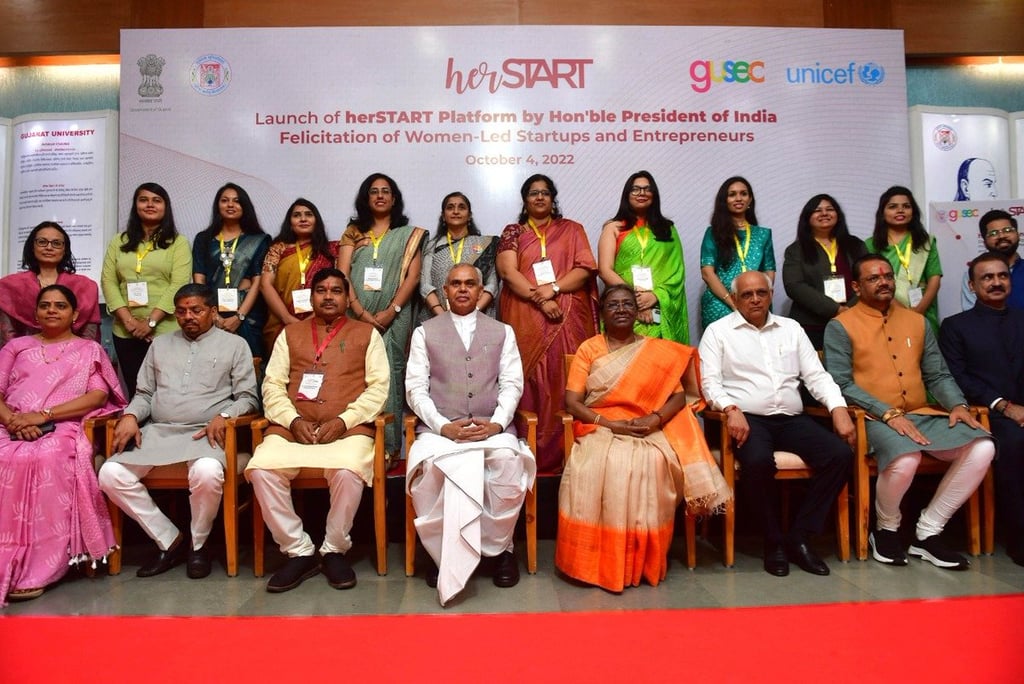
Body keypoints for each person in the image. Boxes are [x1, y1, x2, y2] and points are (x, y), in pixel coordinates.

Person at [824, 254, 994, 570]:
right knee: (906, 457)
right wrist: (887, 413)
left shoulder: (917, 322)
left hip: (922, 413)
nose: (884, 282)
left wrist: (957, 405)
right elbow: (840, 382)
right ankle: (886, 530)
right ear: (856, 287)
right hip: (873, 418)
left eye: (888, 276)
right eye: (874, 278)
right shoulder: (840, 326)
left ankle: (928, 532)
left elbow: (937, 374)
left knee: (982, 445)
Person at [557, 285, 731, 592]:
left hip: (648, 425)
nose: (621, 309)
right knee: (599, 463)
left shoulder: (656, 350)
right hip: (601, 425)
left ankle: (639, 560)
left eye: (628, 304)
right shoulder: (589, 348)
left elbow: (678, 397)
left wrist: (655, 419)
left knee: (651, 461)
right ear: (602, 313)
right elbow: (572, 402)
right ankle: (592, 561)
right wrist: (609, 424)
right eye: (613, 305)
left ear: (638, 312)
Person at [98, 284, 259, 580]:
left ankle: (199, 544)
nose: (188, 317)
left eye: (196, 310)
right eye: (182, 311)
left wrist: (225, 416)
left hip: (206, 434)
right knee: (110, 473)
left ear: (212, 311)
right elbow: (144, 393)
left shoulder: (235, 345)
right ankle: (170, 540)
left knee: (207, 472)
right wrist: (131, 415)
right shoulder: (159, 345)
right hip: (159, 432)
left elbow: (248, 397)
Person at [700, 271, 854, 577]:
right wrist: (730, 408)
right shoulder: (718, 332)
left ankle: (800, 537)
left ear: (771, 295)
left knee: (840, 455)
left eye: (761, 293)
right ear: (735, 299)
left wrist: (838, 407)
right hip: (748, 419)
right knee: (758, 462)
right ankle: (773, 542)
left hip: (792, 418)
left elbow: (816, 376)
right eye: (747, 295)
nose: (755, 299)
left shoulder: (791, 328)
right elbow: (710, 383)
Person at [246, 268, 389, 593]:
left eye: (336, 291)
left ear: (347, 298)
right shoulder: (290, 334)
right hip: (293, 430)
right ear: (311, 297)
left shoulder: (367, 333)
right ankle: (298, 549)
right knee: (261, 469)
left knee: (348, 471)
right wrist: (292, 420)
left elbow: (379, 389)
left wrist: (343, 421)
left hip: (348, 431)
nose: (328, 296)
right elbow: (272, 385)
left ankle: (334, 549)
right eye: (321, 290)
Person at [406, 264, 535, 605]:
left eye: (470, 284)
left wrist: (497, 423)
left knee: (507, 464)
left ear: (481, 291)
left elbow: (512, 383)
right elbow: (415, 389)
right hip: (440, 430)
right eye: (455, 284)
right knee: (430, 469)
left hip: (491, 427)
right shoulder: (424, 332)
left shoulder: (502, 331)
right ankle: (441, 554)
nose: (463, 289)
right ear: (445, 291)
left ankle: (500, 550)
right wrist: (442, 426)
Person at [0, 285, 126, 604]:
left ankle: (42, 565)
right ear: (35, 313)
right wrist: (14, 420)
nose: (52, 310)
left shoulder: (88, 350)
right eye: (45, 305)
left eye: (60, 306)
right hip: (10, 423)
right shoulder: (16, 347)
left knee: (48, 456)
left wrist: (42, 416)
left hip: (61, 426)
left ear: (74, 314)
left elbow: (97, 396)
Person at [496, 173, 599, 472]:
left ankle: (571, 455)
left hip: (568, 317)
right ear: (524, 200)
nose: (539, 197)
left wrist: (553, 289)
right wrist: (541, 300)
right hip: (526, 314)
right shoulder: (513, 232)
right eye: (533, 193)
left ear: (553, 199)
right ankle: (526, 453)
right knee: (528, 380)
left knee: (566, 377)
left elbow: (584, 268)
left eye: (545, 192)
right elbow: (508, 272)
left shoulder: (573, 229)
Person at [940, 252, 1024, 566]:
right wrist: (1005, 405)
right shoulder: (955, 326)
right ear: (972, 286)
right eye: (987, 278)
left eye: (1002, 276)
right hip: (991, 414)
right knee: (1015, 443)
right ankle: (1019, 539)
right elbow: (959, 377)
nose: (996, 282)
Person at [338, 173, 426, 457]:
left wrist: (392, 310)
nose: (379, 196)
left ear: (394, 198)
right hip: (355, 315)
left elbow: (413, 277)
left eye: (385, 191)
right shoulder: (353, 232)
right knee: (356, 375)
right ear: (366, 198)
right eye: (374, 191)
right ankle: (356, 444)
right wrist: (360, 311)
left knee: (390, 375)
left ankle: (388, 449)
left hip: (395, 317)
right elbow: (342, 274)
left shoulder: (408, 234)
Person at [101, 182, 192, 398]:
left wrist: (150, 322)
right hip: (125, 330)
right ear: (135, 205)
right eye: (143, 200)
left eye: (156, 200)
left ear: (165, 207)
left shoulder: (178, 243)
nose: (150, 205)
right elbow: (108, 281)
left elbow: (178, 284)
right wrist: (129, 322)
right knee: (136, 391)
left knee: (167, 393)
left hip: (166, 329)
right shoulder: (119, 241)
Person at [597, 171, 689, 343]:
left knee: (660, 358)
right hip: (624, 307)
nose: (642, 193)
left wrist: (655, 296)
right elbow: (604, 270)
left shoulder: (668, 229)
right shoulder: (614, 227)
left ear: (654, 195)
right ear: (627, 194)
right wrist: (635, 300)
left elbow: (676, 273)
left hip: (659, 308)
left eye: (647, 189)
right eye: (635, 189)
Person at [192, 183, 271, 360]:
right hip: (211, 314)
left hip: (248, 315)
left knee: (249, 364)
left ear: (245, 206)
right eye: (225, 200)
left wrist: (239, 317)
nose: (230, 205)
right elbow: (199, 279)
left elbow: (257, 281)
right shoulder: (203, 239)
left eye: (236, 201)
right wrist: (213, 315)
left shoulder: (258, 240)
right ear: (217, 205)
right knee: (213, 364)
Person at [782, 194, 867, 349]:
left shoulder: (856, 245)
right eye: (817, 210)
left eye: (829, 209)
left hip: (855, 319)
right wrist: (836, 309)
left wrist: (850, 309)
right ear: (807, 217)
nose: (824, 213)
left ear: (838, 215)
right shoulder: (796, 250)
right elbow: (794, 286)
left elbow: (867, 279)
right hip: (811, 325)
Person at [0, 221, 101, 349]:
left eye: (56, 243)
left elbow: (90, 336)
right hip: (22, 355)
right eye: (42, 242)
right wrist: (24, 356)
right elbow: (7, 335)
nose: (49, 247)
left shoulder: (86, 286)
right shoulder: (9, 286)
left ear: (65, 249)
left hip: (74, 355)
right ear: (32, 247)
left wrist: (76, 357)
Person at [260, 198, 338, 353]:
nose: (303, 219)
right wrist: (287, 319)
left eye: (308, 214)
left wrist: (313, 318)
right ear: (290, 223)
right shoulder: (279, 248)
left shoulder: (329, 251)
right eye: (297, 215)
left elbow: (337, 288)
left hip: (321, 320)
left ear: (317, 221)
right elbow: (265, 284)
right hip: (281, 322)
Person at [699, 176, 775, 330]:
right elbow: (707, 273)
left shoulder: (763, 234)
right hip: (721, 304)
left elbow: (769, 271)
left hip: (755, 303)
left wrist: (760, 298)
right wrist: (733, 302)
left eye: (743, 194)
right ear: (724, 200)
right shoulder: (713, 233)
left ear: (750, 199)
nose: (738, 198)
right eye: (732, 194)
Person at [864, 185, 942, 333]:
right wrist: (901, 311)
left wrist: (919, 310)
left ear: (913, 212)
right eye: (893, 207)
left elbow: (934, 279)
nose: (900, 210)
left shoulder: (926, 242)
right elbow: (869, 282)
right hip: (885, 309)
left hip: (923, 310)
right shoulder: (871, 245)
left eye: (906, 206)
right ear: (882, 213)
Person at [419, 191, 498, 319]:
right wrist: (443, 316)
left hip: (478, 317)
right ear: (443, 216)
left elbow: (492, 285)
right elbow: (425, 285)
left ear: (469, 215)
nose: (456, 212)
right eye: (450, 208)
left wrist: (474, 311)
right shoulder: (431, 246)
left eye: (461, 207)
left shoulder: (485, 244)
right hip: (437, 318)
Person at [960, 210, 1024, 311]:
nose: (1002, 236)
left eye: (1008, 230)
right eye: (993, 233)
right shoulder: (974, 274)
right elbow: (973, 315)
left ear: (1018, 235)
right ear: (984, 242)